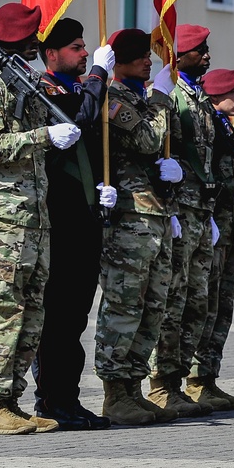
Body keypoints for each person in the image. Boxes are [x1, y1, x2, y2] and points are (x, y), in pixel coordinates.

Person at [0, 2, 82, 436]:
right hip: (2, 222)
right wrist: (44, 135)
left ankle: (12, 401)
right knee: (1, 311)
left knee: (30, 313)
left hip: (34, 220)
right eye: (34, 37)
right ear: (21, 38)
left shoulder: (23, 84)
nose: (38, 44)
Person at [29, 17, 115, 431]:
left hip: (85, 218)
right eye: (77, 47)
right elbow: (76, 120)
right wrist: (99, 73)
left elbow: (93, 144)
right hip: (58, 220)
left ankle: (69, 397)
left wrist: (104, 187)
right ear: (51, 54)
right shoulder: (43, 91)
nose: (84, 53)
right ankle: (50, 399)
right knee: (57, 315)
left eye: (85, 48)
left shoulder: (80, 89)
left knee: (77, 315)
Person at [94, 28, 183, 427]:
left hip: (156, 216)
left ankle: (133, 386)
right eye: (141, 55)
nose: (150, 61)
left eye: (150, 54)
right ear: (123, 59)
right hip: (130, 218)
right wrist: (162, 98)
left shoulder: (140, 98)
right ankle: (115, 393)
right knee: (125, 305)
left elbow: (165, 143)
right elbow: (149, 140)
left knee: (153, 306)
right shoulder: (114, 100)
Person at [149, 24, 216, 417]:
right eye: (200, 50)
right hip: (178, 207)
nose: (207, 55)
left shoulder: (199, 96)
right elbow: (156, 145)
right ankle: (161, 383)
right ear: (181, 54)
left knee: (196, 300)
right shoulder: (170, 95)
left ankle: (181, 380)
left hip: (200, 210)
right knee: (172, 300)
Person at [187, 68, 234, 411]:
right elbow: (204, 174)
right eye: (233, 92)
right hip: (213, 227)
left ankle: (208, 378)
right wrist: (229, 190)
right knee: (205, 307)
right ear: (215, 95)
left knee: (223, 308)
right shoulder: (210, 128)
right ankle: (195, 378)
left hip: (231, 231)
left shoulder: (226, 129)